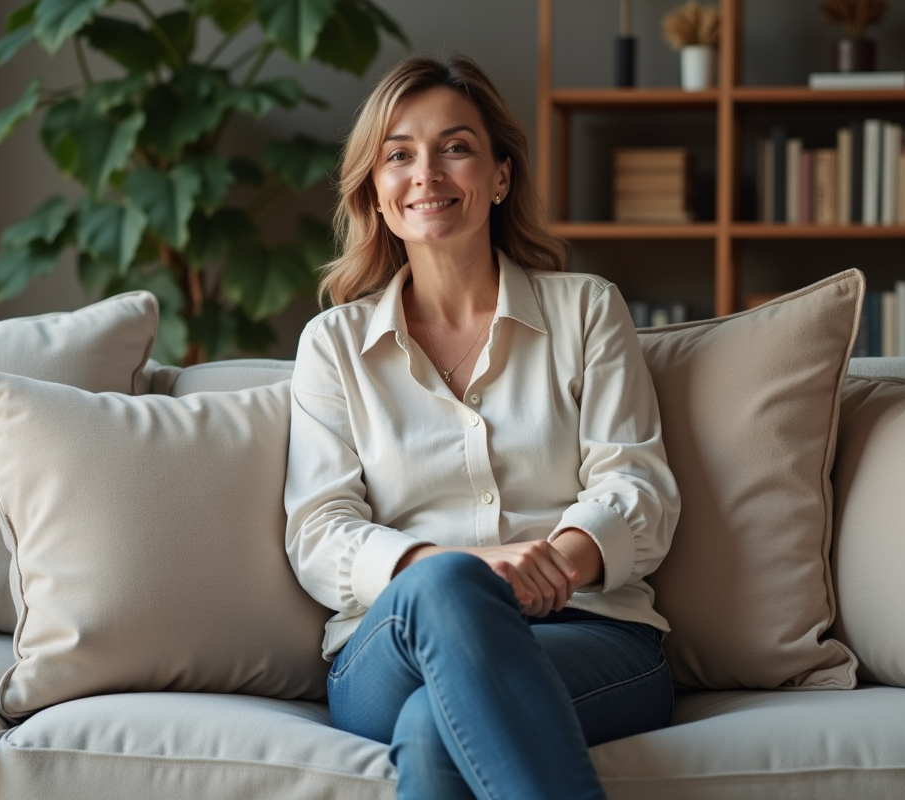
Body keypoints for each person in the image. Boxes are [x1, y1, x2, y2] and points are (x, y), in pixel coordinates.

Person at [284, 53, 680, 800]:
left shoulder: (588, 310)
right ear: (375, 185)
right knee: (448, 584)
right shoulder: (332, 346)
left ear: (500, 176)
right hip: (389, 647)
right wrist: (462, 570)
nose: (426, 174)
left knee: (438, 729)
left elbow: (639, 487)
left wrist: (554, 565)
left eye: (455, 148)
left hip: (589, 634)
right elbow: (319, 530)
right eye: (399, 155)